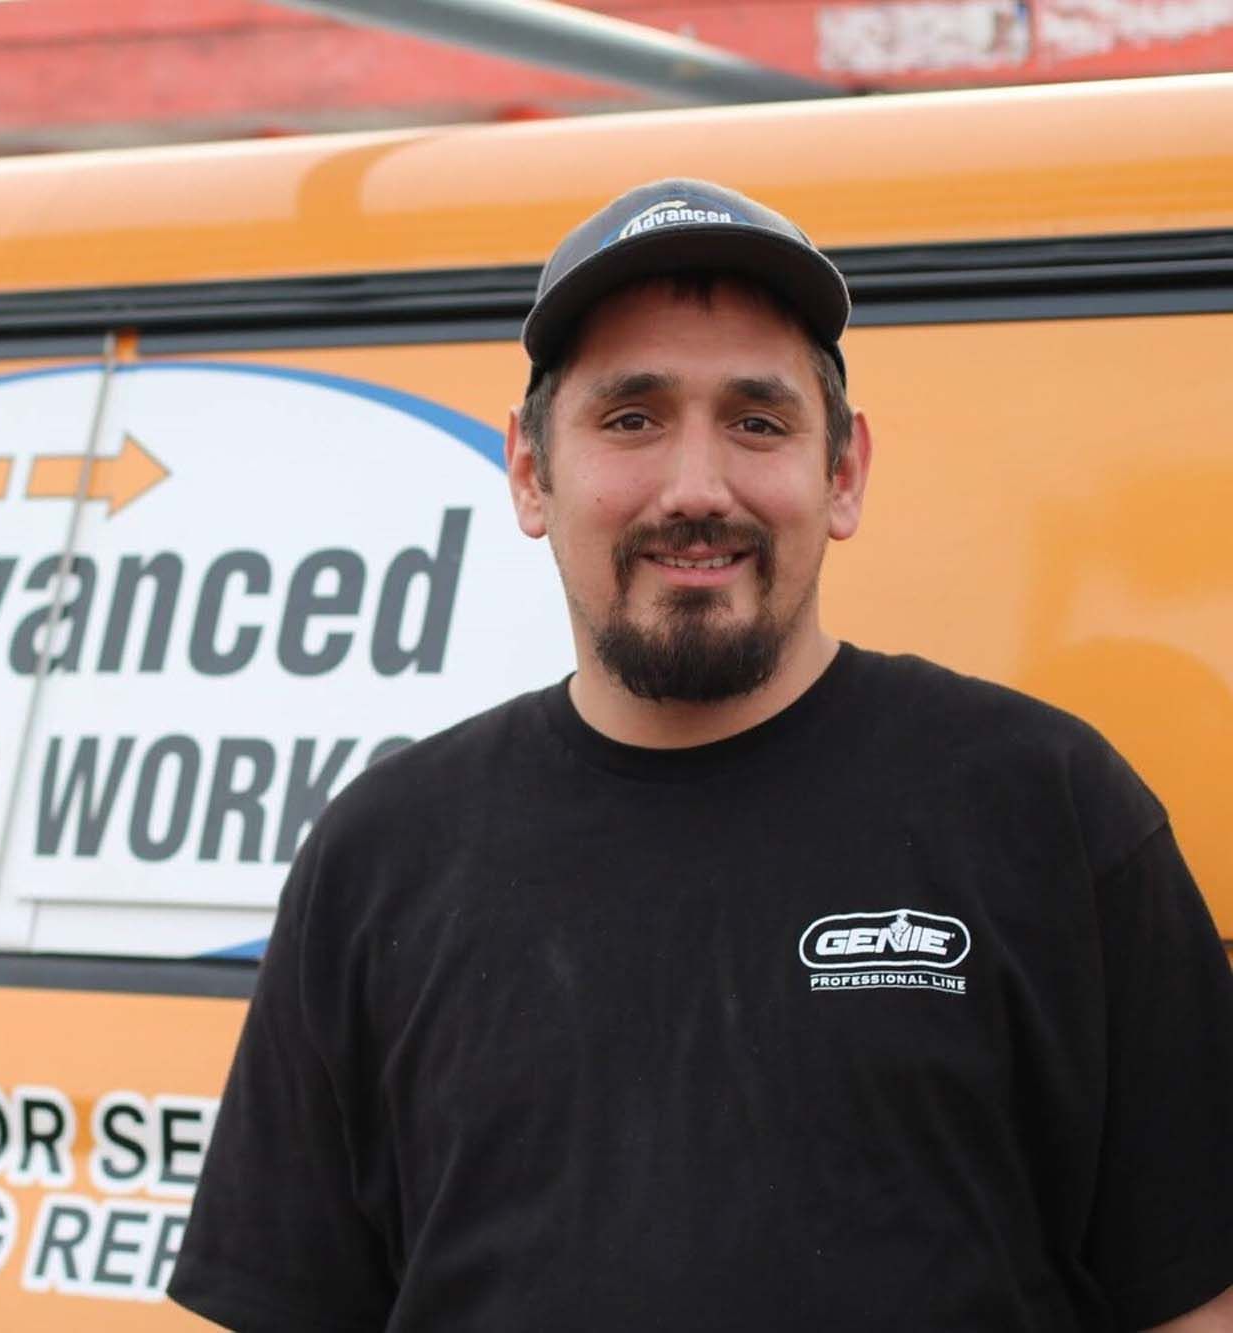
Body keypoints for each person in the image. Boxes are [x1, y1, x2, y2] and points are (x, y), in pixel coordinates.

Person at [168, 179, 1233, 1331]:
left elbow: (1194, 1295)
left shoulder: (1047, 809)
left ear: (842, 473)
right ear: (530, 471)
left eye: (757, 420)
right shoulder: (381, 853)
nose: (694, 489)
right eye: (631, 418)